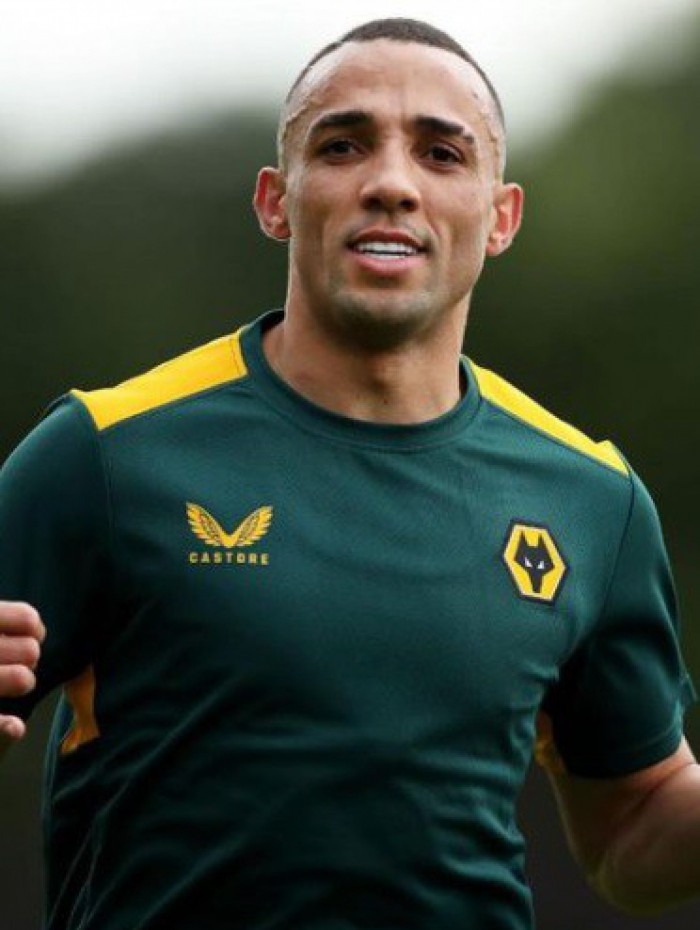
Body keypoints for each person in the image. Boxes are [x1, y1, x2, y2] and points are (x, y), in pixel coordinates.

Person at [0, 16, 698, 930]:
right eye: (342, 146)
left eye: (442, 154)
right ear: (275, 201)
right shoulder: (104, 452)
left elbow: (633, 825)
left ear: (501, 217)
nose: (392, 183)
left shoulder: (593, 500)